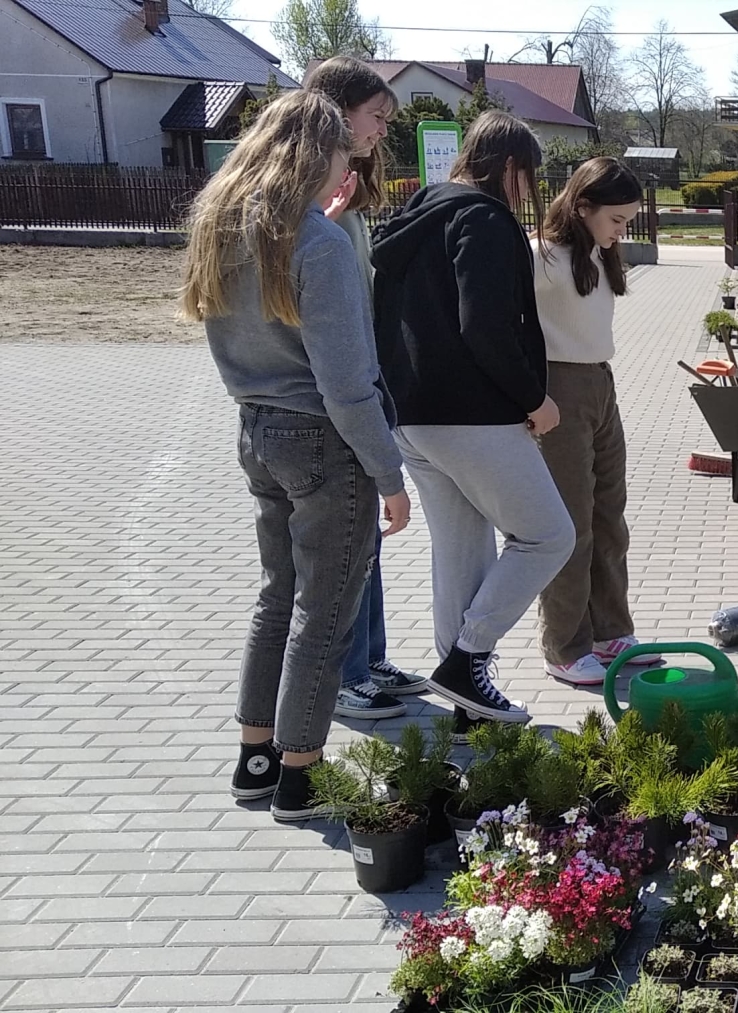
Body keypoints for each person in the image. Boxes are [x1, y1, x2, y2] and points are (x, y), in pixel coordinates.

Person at [179, 89, 411, 821]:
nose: (352, 162)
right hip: (324, 441)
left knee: (277, 598)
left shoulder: (226, 228)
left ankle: (257, 759)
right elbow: (347, 385)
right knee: (325, 614)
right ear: (318, 154)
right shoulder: (317, 244)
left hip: (257, 429)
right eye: (345, 149)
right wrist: (389, 474)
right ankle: (302, 779)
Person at [372, 110, 575, 723]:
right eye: (528, 178)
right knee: (547, 536)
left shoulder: (415, 216)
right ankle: (466, 660)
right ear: (510, 168)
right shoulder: (483, 219)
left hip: (410, 417)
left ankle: (465, 702)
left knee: (460, 551)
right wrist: (534, 400)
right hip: (474, 417)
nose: (528, 192)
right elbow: (484, 327)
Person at [304, 55, 429, 721]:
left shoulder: (343, 196)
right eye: (376, 116)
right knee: (349, 545)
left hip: (366, 381)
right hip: (336, 396)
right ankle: (346, 677)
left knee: (369, 544)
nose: (383, 129)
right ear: (336, 111)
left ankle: (371, 657)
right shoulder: (308, 203)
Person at [530, 157, 662, 685]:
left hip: (601, 385)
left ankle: (610, 633)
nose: (622, 232)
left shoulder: (597, 254)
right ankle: (564, 646)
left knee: (610, 515)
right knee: (572, 523)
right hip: (558, 390)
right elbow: (500, 322)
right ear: (582, 205)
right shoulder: (542, 257)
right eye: (617, 220)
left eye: (629, 221)